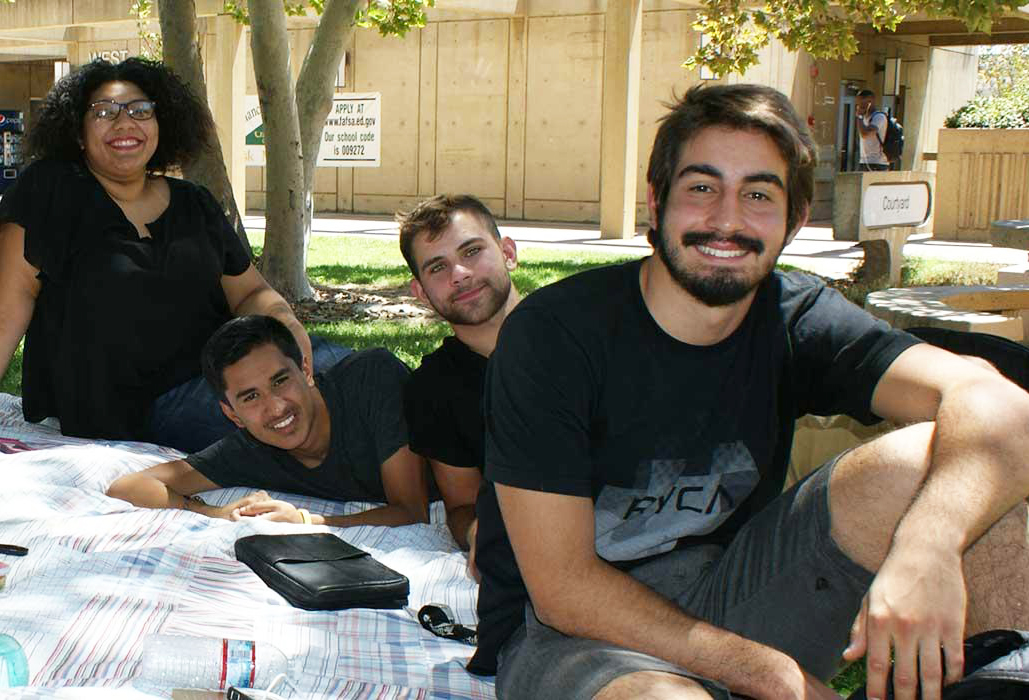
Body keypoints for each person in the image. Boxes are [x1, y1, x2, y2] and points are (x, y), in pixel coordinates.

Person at [468, 83, 1029, 700]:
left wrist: (930, 546)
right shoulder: (556, 336)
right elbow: (563, 590)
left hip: (730, 590)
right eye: (701, 187)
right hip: (565, 632)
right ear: (657, 203)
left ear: (793, 221)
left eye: (758, 194)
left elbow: (998, 405)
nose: (727, 219)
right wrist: (777, 676)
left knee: (944, 465)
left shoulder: (795, 314)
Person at [0, 57, 346, 451]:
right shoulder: (49, 193)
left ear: (161, 125)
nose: (125, 122)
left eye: (141, 110)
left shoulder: (194, 203)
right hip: (141, 408)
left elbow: (249, 292)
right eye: (104, 112)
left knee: (365, 373)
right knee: (334, 415)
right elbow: (6, 310)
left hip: (234, 373)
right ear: (78, 132)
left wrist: (286, 320)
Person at [107, 315, 430, 527]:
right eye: (250, 397)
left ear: (305, 370)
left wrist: (305, 521)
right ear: (232, 414)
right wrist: (215, 512)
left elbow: (411, 511)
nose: (275, 408)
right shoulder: (250, 449)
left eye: (280, 381)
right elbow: (128, 486)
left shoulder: (372, 378)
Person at [396, 195, 520, 566]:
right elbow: (463, 503)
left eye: (471, 252)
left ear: (508, 252)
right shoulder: (434, 388)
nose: (459, 275)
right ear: (420, 292)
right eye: (437, 267)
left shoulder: (580, 335)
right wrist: (476, 532)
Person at [855, 88, 890, 171]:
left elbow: (865, 134)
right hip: (864, 161)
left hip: (877, 163)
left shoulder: (879, 117)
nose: (860, 106)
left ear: (871, 100)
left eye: (863, 102)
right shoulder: (865, 117)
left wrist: (859, 116)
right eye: (859, 103)